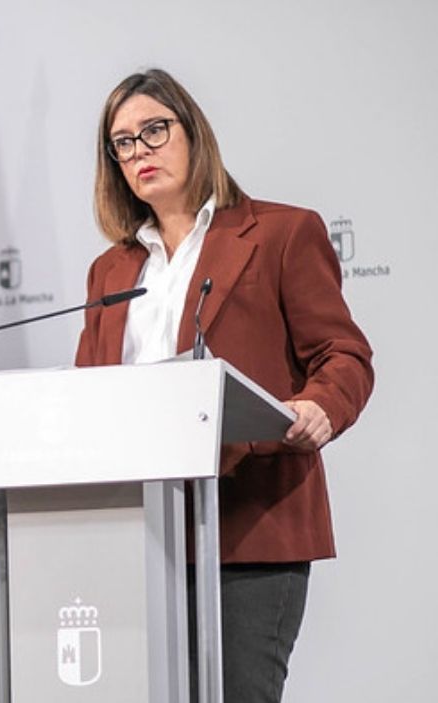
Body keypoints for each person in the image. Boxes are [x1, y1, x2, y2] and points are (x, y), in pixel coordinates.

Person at [75, 69, 373, 702]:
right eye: (122, 143)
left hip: (250, 525)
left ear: (193, 132)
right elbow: (90, 397)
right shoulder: (111, 271)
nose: (139, 152)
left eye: (154, 130)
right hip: (138, 537)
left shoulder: (279, 234)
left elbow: (343, 353)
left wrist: (319, 405)